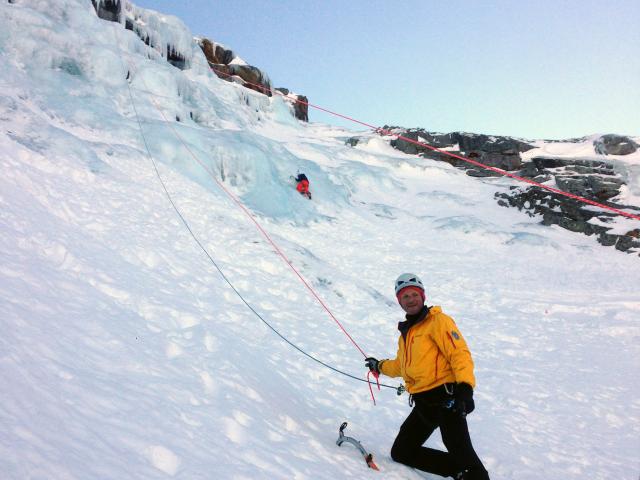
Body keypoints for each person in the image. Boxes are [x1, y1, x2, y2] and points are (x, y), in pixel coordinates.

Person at [365, 273, 489, 480]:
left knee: (469, 462)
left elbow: (459, 354)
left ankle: (469, 473)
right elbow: (401, 366)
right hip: (425, 404)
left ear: (423, 296)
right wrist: (379, 366)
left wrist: (465, 389)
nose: (410, 299)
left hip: (447, 401)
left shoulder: (438, 321)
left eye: (414, 294)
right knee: (402, 451)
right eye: (405, 296)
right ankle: (457, 471)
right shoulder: (407, 333)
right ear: (399, 301)